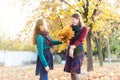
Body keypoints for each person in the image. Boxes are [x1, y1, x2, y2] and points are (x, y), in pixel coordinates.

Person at [64, 13, 88, 80]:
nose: (72, 21)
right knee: (71, 71)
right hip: (71, 50)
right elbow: (70, 39)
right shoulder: (70, 28)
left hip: (79, 51)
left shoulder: (84, 28)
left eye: (74, 19)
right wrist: (70, 49)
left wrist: (72, 48)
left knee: (74, 70)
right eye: (71, 20)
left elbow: (81, 39)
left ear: (78, 19)